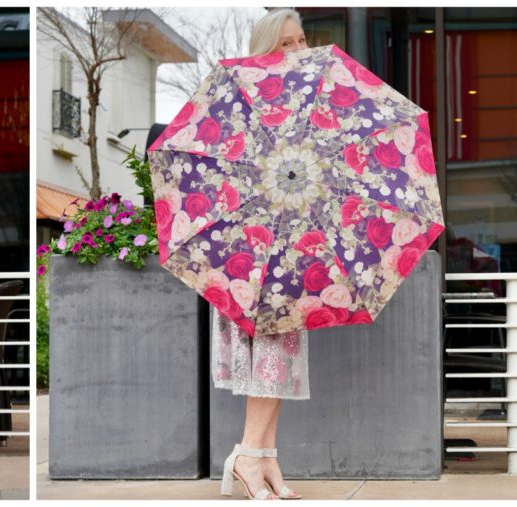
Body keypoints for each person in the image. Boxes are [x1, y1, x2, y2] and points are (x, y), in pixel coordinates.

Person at [216, 8, 308, 501]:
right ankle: (248, 455)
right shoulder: (241, 94)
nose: (295, 52)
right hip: (250, 247)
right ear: (264, 49)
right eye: (284, 45)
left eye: (299, 42)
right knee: (268, 350)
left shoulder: (306, 102)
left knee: (282, 351)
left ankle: (266, 457)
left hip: (291, 241)